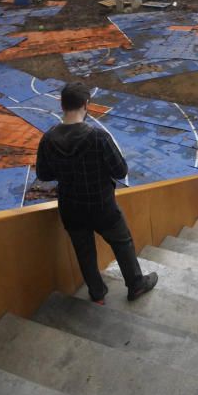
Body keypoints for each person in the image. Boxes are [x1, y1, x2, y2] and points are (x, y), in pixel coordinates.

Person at [36, 83, 157, 304]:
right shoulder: (98, 137)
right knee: (122, 243)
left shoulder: (48, 139)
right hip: (102, 205)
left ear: (62, 105)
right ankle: (135, 285)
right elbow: (120, 170)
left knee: (84, 253)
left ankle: (97, 294)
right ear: (86, 105)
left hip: (71, 207)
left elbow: (43, 173)